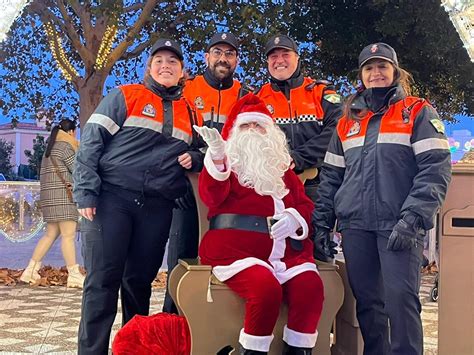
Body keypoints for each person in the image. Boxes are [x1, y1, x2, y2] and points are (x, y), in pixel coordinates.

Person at [312, 43, 451, 355]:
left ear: (395, 71)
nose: (376, 73)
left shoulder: (417, 112)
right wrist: (320, 224)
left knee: (401, 302)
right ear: (362, 75)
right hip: (356, 227)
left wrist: (413, 217)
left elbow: (436, 169)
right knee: (368, 306)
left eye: (382, 66)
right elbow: (332, 176)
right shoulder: (347, 121)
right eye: (369, 68)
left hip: (398, 225)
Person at [73, 38, 204, 355]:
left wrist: (197, 157)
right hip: (111, 201)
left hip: (157, 209)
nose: (165, 66)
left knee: (139, 285)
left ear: (182, 71)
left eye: (172, 62)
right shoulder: (125, 96)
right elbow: (91, 142)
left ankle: (134, 349)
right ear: (149, 67)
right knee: (102, 283)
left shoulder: (190, 111)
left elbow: (206, 149)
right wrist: (86, 192)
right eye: (159, 61)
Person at [194, 94, 324, 355]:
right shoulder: (227, 165)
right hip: (235, 251)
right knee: (265, 289)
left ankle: (298, 350)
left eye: (258, 126)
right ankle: (252, 351)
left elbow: (305, 206)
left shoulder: (283, 171)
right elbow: (211, 196)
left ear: (270, 133)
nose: (252, 131)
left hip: (286, 253)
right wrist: (217, 158)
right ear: (235, 132)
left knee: (311, 286)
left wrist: (293, 218)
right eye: (246, 126)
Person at [163, 31, 251, 313]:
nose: (222, 59)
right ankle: (173, 321)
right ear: (206, 57)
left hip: (228, 193)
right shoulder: (186, 89)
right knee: (181, 258)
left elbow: (245, 145)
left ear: (236, 60)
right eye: (217, 53)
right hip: (187, 190)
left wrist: (202, 155)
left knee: (226, 261)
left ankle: (218, 325)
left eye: (229, 54)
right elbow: (174, 139)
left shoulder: (245, 95)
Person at [256, 34, 343, 205]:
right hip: (274, 188)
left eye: (285, 54)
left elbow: (338, 130)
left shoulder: (323, 92)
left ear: (297, 58)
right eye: (273, 56)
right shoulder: (257, 99)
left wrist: (297, 158)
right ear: (267, 62)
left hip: (320, 185)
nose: (279, 60)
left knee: (319, 232)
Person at [20, 119, 84, 288]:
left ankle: (30, 270)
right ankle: (74, 274)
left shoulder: (49, 149)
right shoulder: (66, 147)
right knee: (68, 236)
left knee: (50, 235)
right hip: (64, 197)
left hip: (49, 198)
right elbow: (78, 170)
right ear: (71, 132)